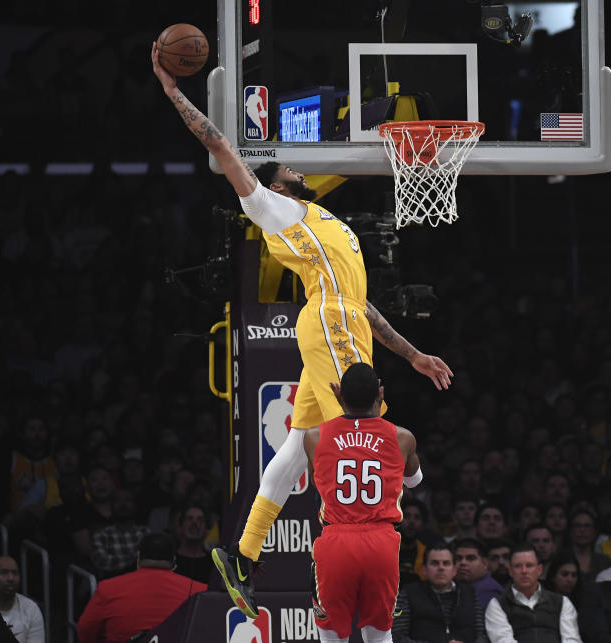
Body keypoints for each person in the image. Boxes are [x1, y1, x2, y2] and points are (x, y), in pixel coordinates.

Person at [149, 42, 454, 619]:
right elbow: (219, 145)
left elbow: (360, 305)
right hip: (332, 330)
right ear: (278, 185)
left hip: (342, 321)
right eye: (288, 167)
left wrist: (412, 355)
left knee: (295, 446)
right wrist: (172, 91)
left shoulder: (321, 218)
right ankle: (349, 548)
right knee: (364, 434)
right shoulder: (275, 208)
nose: (296, 166)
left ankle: (242, 553)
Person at [302, 363, 421, 642]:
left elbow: (315, 480)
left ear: (338, 394)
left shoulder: (313, 437)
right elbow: (415, 481)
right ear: (380, 394)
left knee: (332, 637)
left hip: (336, 540)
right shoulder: (403, 437)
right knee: (379, 636)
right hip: (381, 541)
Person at [76, 532, 207, 643]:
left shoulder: (108, 589)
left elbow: (85, 634)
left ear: (138, 558)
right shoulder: (200, 591)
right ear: (173, 560)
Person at [484, 544, 582, 643]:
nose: (524, 571)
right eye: (518, 566)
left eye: (529, 565)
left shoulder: (561, 602)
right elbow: (503, 640)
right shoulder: (498, 604)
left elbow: (571, 639)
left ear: (539, 570)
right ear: (510, 571)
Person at [393, 543, 487, 643]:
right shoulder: (409, 592)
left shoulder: (469, 592)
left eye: (446, 563)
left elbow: (481, 635)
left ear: (454, 570)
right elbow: (398, 636)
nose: (441, 568)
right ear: (424, 570)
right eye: (435, 563)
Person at [454, 538, 505, 610]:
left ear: (485, 563)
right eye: (458, 558)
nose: (463, 562)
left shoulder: (491, 591)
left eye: (470, 558)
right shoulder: (454, 587)